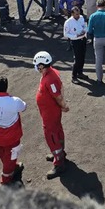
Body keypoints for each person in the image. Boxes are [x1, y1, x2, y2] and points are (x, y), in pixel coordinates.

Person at [33, 51, 69, 179]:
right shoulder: (50, 73)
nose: (36, 68)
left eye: (37, 65)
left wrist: (63, 105)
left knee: (51, 135)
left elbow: (57, 95)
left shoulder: (50, 79)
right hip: (50, 112)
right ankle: (59, 154)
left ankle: (59, 163)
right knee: (57, 131)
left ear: (42, 66)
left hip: (50, 114)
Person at [0, 76, 26, 186]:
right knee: (12, 154)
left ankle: (13, 167)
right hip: (11, 135)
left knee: (2, 153)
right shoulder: (14, 101)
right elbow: (23, 107)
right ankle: (6, 179)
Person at [64, 6, 88, 83]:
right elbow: (65, 34)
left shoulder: (81, 18)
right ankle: (74, 76)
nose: (78, 16)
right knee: (77, 59)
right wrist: (75, 36)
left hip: (83, 40)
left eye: (78, 14)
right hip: (75, 42)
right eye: (76, 14)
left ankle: (80, 72)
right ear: (72, 14)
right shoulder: (68, 22)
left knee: (82, 57)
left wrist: (84, 31)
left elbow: (85, 25)